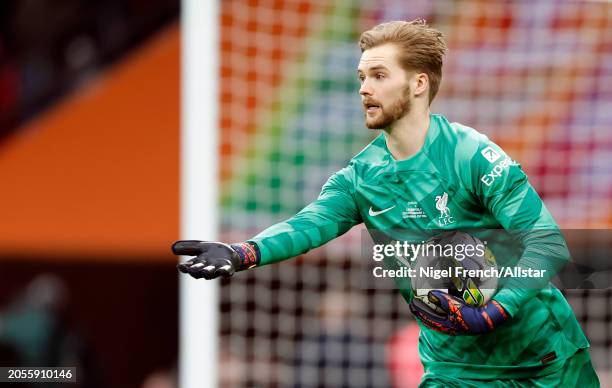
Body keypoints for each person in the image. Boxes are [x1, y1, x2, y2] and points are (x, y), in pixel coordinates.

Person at [173, 20, 599, 387]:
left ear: (419, 83)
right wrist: (243, 252)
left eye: (378, 75)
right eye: (361, 77)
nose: (364, 88)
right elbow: (310, 222)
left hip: (544, 359)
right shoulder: (360, 177)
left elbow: (547, 243)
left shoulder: (470, 155)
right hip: (454, 367)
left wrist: (495, 310)